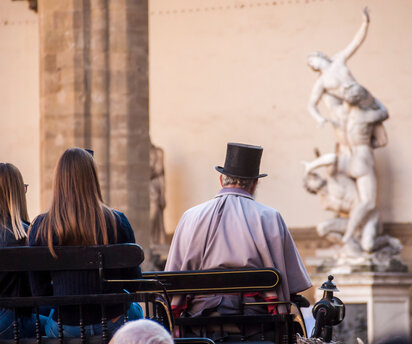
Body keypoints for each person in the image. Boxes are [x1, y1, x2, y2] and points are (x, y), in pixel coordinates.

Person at [165, 143, 312, 318]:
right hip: (256, 323)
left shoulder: (190, 216)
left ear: (221, 180)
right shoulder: (270, 217)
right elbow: (292, 283)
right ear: (255, 184)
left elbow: (171, 279)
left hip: (198, 321)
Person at [28, 148, 143, 338]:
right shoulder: (117, 221)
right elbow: (133, 283)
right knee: (137, 310)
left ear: (58, 181)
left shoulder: (41, 227)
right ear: (93, 178)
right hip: (113, 322)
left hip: (65, 327)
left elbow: (39, 291)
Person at [304, 8, 389, 250]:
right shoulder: (325, 86)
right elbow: (311, 104)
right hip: (357, 141)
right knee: (368, 202)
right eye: (311, 65)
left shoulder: (339, 60)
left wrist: (364, 23)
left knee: (366, 200)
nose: (314, 65)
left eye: (314, 60)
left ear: (322, 57)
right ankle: (350, 234)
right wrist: (320, 117)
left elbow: (355, 43)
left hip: (354, 129)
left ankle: (352, 235)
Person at [0, 163, 44, 338]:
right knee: (53, 323)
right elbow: (37, 291)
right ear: (17, 195)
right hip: (10, 320)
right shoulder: (27, 234)